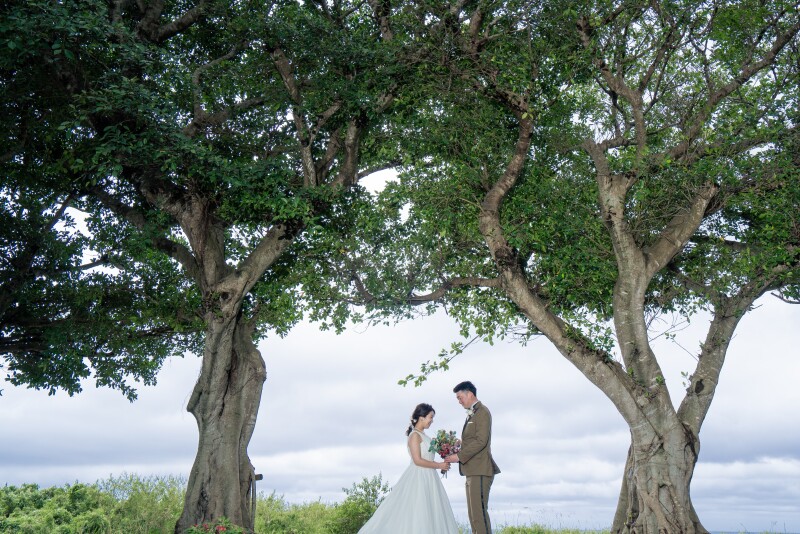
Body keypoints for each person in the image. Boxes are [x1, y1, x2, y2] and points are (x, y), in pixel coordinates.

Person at [358, 403, 460, 534]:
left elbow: (427, 459)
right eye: (430, 417)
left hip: (430, 477)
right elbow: (417, 460)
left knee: (432, 512)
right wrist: (439, 465)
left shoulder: (425, 436)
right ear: (422, 417)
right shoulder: (414, 436)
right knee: (419, 512)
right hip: (419, 477)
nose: (432, 421)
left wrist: (442, 463)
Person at [445, 381, 500, 534]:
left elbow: (482, 441)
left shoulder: (482, 412)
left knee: (479, 515)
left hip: (480, 470)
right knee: (473, 516)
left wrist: (459, 456)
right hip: (471, 471)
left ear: (470, 394)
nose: (459, 401)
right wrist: (459, 444)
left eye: (460, 397)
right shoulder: (473, 413)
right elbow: (474, 439)